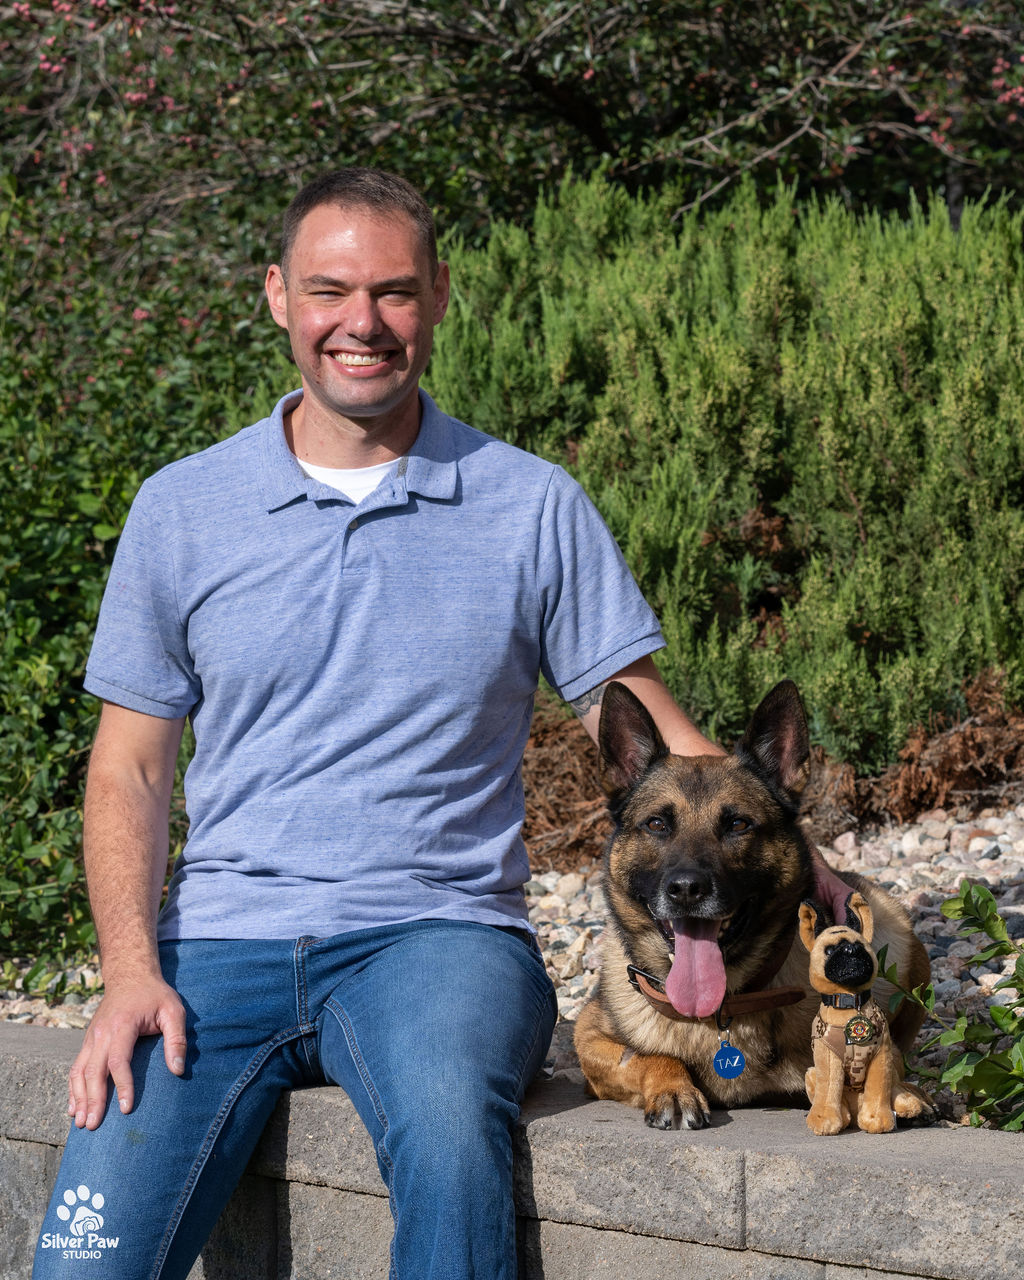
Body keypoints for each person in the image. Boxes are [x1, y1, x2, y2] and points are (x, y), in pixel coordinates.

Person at [33, 167, 846, 1280]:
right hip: (217, 946)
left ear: (440, 297)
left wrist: (806, 863)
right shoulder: (181, 507)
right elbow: (127, 770)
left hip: (441, 940)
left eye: (394, 292)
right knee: (88, 1258)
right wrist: (131, 973)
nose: (361, 322)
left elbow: (651, 724)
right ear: (277, 295)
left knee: (454, 1137)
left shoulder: (531, 502)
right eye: (330, 290)